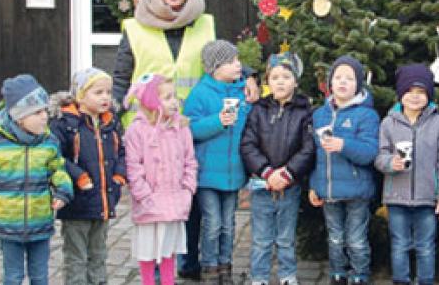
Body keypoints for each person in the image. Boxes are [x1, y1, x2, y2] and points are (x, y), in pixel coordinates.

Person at [112, 0, 215, 280]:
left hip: (189, 127)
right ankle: (153, 267)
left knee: (189, 195)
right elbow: (121, 76)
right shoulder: (135, 26)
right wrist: (111, 112)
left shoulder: (204, 22)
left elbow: (220, 61)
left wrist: (249, 76)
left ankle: (187, 260)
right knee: (152, 201)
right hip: (148, 133)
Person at [0, 75, 74, 285]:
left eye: (45, 111)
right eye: (37, 112)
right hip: (7, 221)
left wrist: (63, 190)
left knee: (40, 276)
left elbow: (58, 169)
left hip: (40, 221)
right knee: (13, 276)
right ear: (20, 116)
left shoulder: (49, 141)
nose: (44, 117)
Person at [240, 53, 316, 285]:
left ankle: (287, 274)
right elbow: (248, 144)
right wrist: (266, 172)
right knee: (261, 237)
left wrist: (287, 173)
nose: (280, 81)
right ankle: (259, 276)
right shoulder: (259, 111)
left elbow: (308, 147)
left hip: (288, 185)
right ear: (267, 83)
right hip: (263, 185)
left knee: (285, 237)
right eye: (275, 77)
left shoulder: (305, 112)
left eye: (286, 76)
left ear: (295, 81)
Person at [375, 64, 439, 285]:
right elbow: (379, 156)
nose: (415, 97)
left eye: (421, 92)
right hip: (396, 197)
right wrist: (391, 162)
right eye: (409, 91)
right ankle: (401, 280)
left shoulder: (438, 123)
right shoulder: (388, 123)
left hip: (427, 197)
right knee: (399, 244)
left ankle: (425, 280)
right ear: (401, 94)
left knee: (426, 245)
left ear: (428, 94)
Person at [308, 55, 380, 285]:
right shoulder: (320, 114)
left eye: (349, 78)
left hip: (357, 190)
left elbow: (370, 152)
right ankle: (337, 274)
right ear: (330, 83)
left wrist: (343, 145)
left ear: (358, 84)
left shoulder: (366, 115)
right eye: (338, 77)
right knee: (335, 238)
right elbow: (314, 156)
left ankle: (359, 275)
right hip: (328, 189)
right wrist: (313, 185)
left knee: (356, 238)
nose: (342, 82)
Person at [51, 68, 127, 285]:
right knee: (76, 256)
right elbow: (56, 156)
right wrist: (78, 176)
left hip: (103, 198)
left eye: (108, 92)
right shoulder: (64, 124)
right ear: (81, 96)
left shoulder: (110, 122)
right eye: (98, 92)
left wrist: (120, 175)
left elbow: (121, 151)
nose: (105, 97)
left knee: (99, 253)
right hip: (77, 202)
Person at [183, 40, 249, 284]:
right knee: (212, 222)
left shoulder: (241, 93)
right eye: (231, 61)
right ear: (214, 67)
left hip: (232, 172)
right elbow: (190, 128)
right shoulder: (200, 93)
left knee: (229, 223)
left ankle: (225, 263)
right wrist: (218, 121)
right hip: (207, 173)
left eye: (237, 60)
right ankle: (208, 265)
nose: (238, 65)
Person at [124, 74, 198, 285]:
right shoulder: (137, 130)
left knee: (169, 249)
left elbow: (190, 161)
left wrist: (187, 189)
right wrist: (144, 195)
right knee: (147, 251)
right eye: (167, 97)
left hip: (175, 199)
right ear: (151, 101)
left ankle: (168, 281)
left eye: (174, 96)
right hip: (149, 202)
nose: (174, 101)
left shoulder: (180, 128)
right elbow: (133, 166)